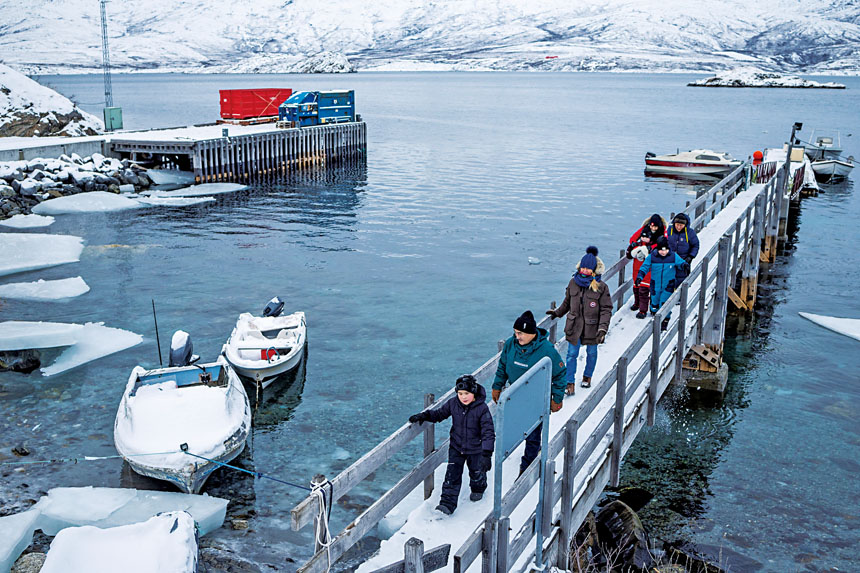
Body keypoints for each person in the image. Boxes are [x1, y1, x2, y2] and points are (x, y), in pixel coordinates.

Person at [492, 310, 566, 475]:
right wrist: (497, 386)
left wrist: (557, 397)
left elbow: (560, 374)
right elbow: (502, 365)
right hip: (515, 395)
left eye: (521, 333)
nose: (517, 336)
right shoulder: (511, 344)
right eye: (516, 332)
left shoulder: (546, 349)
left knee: (533, 433)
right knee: (516, 428)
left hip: (537, 398)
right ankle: (527, 452)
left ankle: (526, 468)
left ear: (531, 333)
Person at [409, 374, 494, 515]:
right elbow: (439, 414)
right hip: (457, 447)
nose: (463, 397)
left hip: (476, 449)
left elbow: (488, 432)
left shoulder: (482, 409)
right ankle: (447, 504)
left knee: (477, 472)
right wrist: (424, 415)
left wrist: (486, 454)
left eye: (467, 393)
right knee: (452, 475)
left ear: (473, 392)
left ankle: (478, 487)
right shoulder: (453, 404)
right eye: (460, 394)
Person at [546, 246, 612, 390]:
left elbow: (606, 310)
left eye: (588, 269)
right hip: (574, 326)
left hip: (592, 327)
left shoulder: (601, 287)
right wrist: (557, 313)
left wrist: (602, 329)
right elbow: (567, 303)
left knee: (592, 353)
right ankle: (569, 382)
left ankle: (587, 377)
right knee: (571, 355)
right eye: (583, 268)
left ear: (594, 270)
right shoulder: (573, 283)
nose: (585, 271)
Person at [635, 236, 687, 331]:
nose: (663, 252)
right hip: (655, 284)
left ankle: (664, 321)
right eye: (661, 250)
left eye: (665, 250)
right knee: (655, 302)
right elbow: (645, 267)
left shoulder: (673, 256)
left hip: (668, 284)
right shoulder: (652, 257)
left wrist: (684, 266)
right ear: (657, 249)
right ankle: (654, 311)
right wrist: (640, 277)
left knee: (664, 302)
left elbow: (681, 263)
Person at [626, 229, 657, 319]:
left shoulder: (652, 248)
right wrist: (630, 247)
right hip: (636, 271)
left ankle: (643, 310)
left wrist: (650, 250)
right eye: (642, 236)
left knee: (644, 291)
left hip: (646, 272)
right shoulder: (637, 245)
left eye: (646, 237)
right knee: (636, 288)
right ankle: (637, 303)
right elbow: (628, 255)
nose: (644, 239)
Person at [667, 213, 699, 285]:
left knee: (681, 282)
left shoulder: (690, 233)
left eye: (681, 225)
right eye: (677, 224)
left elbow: (695, 245)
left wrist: (690, 256)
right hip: (670, 260)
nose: (678, 227)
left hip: (684, 261)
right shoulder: (669, 230)